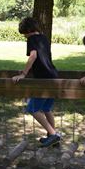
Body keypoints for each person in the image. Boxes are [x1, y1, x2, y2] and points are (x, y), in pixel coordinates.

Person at [12, 17, 61, 147]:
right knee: (46, 108)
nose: (24, 36)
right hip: (53, 76)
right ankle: (52, 136)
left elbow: (33, 56)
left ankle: (53, 134)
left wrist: (23, 73)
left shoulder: (32, 39)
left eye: (24, 34)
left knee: (32, 108)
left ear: (28, 31)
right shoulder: (44, 38)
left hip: (44, 79)